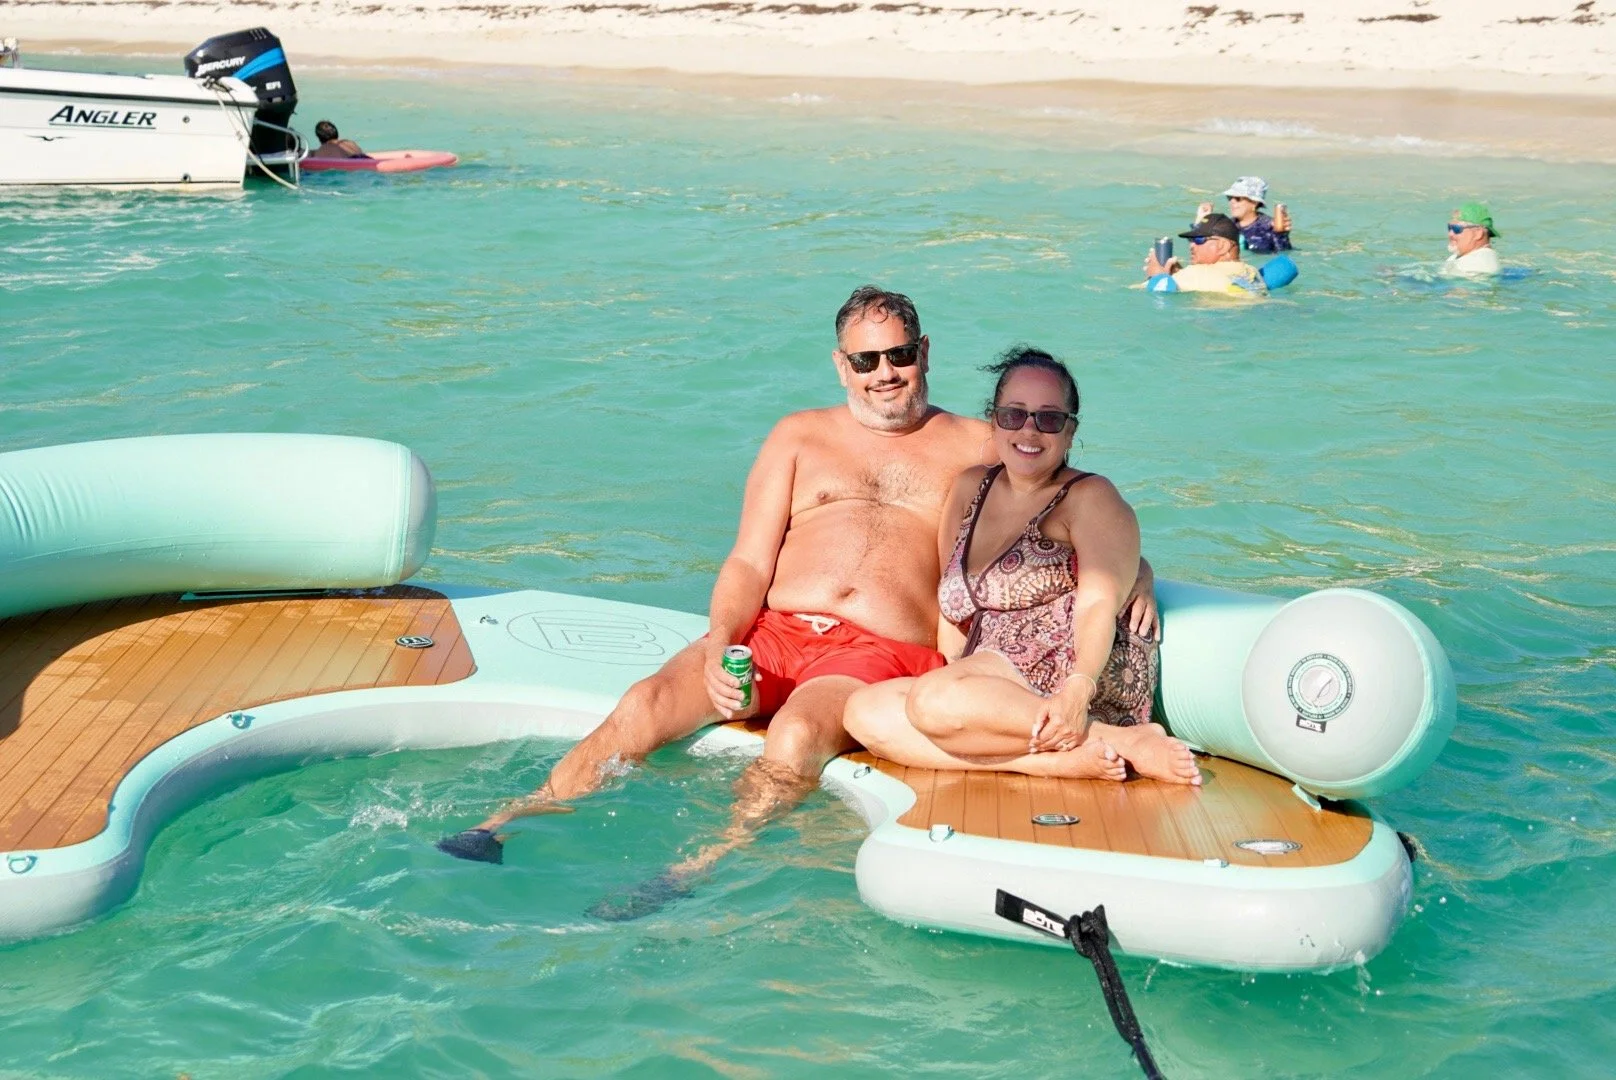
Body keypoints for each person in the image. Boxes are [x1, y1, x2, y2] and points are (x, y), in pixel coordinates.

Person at [437, 286, 1160, 913]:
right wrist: (723, 640)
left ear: (925, 352)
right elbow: (749, 558)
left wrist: (1143, 576)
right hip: (775, 633)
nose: (885, 374)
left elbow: (1073, 506)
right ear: (841, 365)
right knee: (646, 705)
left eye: (899, 355)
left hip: (879, 652)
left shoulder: (980, 440)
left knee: (794, 738)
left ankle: (692, 869)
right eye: (866, 360)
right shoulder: (798, 435)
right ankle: (508, 822)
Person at [843, 348, 1200, 785]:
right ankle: (1056, 759)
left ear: (1070, 433)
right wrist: (955, 696)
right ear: (993, 421)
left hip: (1073, 675)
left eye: (1048, 419)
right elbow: (954, 614)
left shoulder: (1091, 499)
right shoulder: (970, 488)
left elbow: (1097, 606)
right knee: (864, 712)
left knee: (931, 703)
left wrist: (1077, 689)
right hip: (996, 680)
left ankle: (1119, 736)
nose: (1029, 430)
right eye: (1014, 415)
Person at [1142, 213, 1264, 293]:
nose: (1192, 245)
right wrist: (1179, 274)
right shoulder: (1251, 271)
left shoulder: (1196, 273)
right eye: (1191, 240)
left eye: (1199, 240)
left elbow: (1147, 290)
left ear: (1223, 246)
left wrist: (1155, 275)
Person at [1197, 176, 1292, 253]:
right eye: (1230, 197)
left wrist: (1281, 235)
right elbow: (1200, 247)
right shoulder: (1227, 225)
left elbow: (1283, 253)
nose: (1232, 202)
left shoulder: (1269, 226)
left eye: (1238, 199)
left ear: (1254, 203)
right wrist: (1201, 222)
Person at [1443, 201, 1501, 277]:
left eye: (1456, 229)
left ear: (1478, 233)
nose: (1450, 234)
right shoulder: (1466, 257)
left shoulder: (1477, 266)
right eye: (1449, 228)